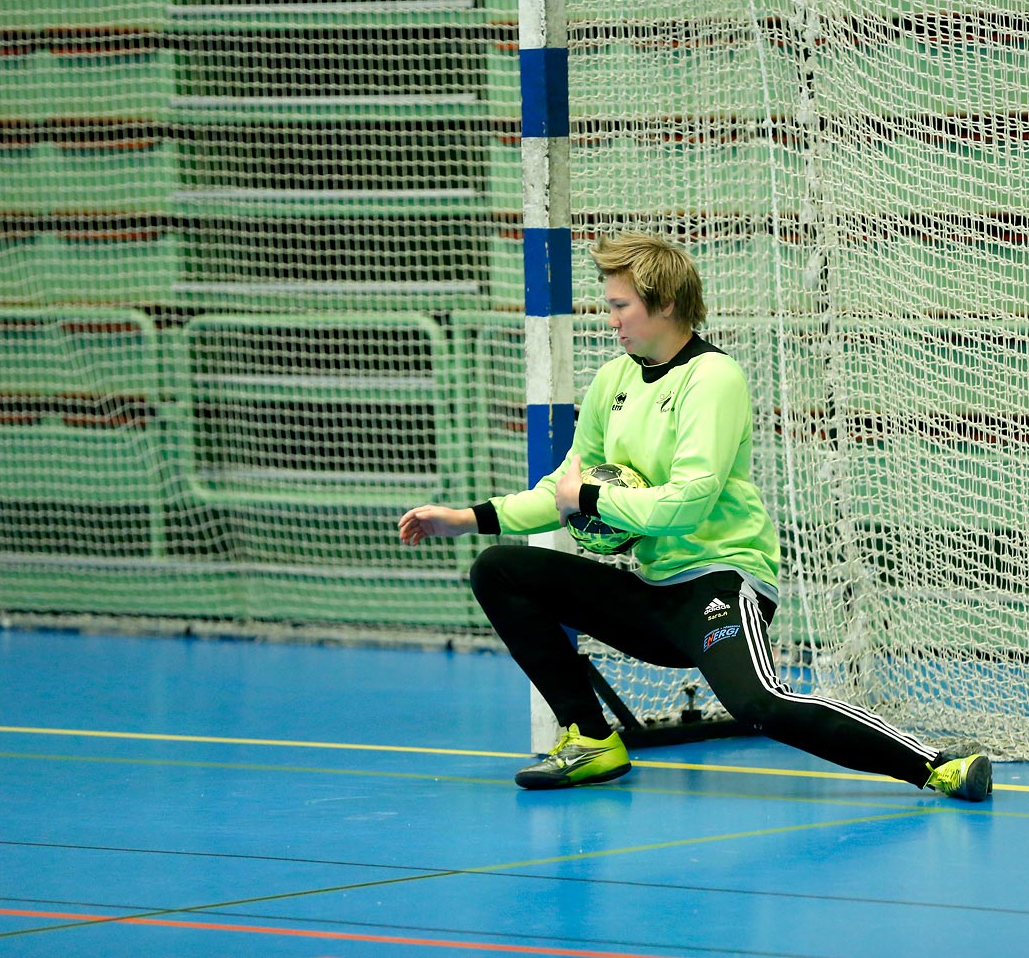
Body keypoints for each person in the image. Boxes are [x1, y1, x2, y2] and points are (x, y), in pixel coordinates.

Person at [397, 232, 990, 801]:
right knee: (499, 570)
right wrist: (465, 518)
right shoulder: (613, 380)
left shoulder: (714, 378)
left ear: (667, 304)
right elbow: (563, 488)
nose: (612, 320)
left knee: (759, 704)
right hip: (649, 590)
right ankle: (592, 738)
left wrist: (591, 501)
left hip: (718, 583)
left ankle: (937, 766)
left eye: (621, 306)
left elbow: (689, 503)